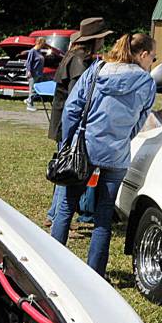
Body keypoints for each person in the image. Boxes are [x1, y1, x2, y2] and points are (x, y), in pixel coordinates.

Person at [49, 32, 157, 278]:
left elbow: (72, 108)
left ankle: (53, 264)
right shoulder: (147, 83)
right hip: (117, 153)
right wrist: (122, 138)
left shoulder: (97, 70)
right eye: (153, 56)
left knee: (66, 208)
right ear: (142, 55)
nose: (153, 61)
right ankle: (95, 273)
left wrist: (68, 142)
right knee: (103, 216)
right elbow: (140, 120)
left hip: (84, 147)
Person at [46, 17, 113, 226]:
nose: (104, 42)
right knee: (70, 170)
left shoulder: (75, 56)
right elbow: (78, 98)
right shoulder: (79, 60)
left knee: (65, 168)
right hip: (69, 123)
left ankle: (53, 214)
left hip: (65, 122)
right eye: (102, 38)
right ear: (94, 39)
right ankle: (59, 217)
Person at [24, 38, 47, 111]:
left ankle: (28, 100)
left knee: (36, 89)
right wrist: (29, 71)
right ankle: (30, 105)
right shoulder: (32, 51)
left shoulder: (39, 51)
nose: (44, 45)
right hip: (32, 73)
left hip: (38, 73)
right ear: (39, 43)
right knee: (32, 89)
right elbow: (29, 62)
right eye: (43, 43)